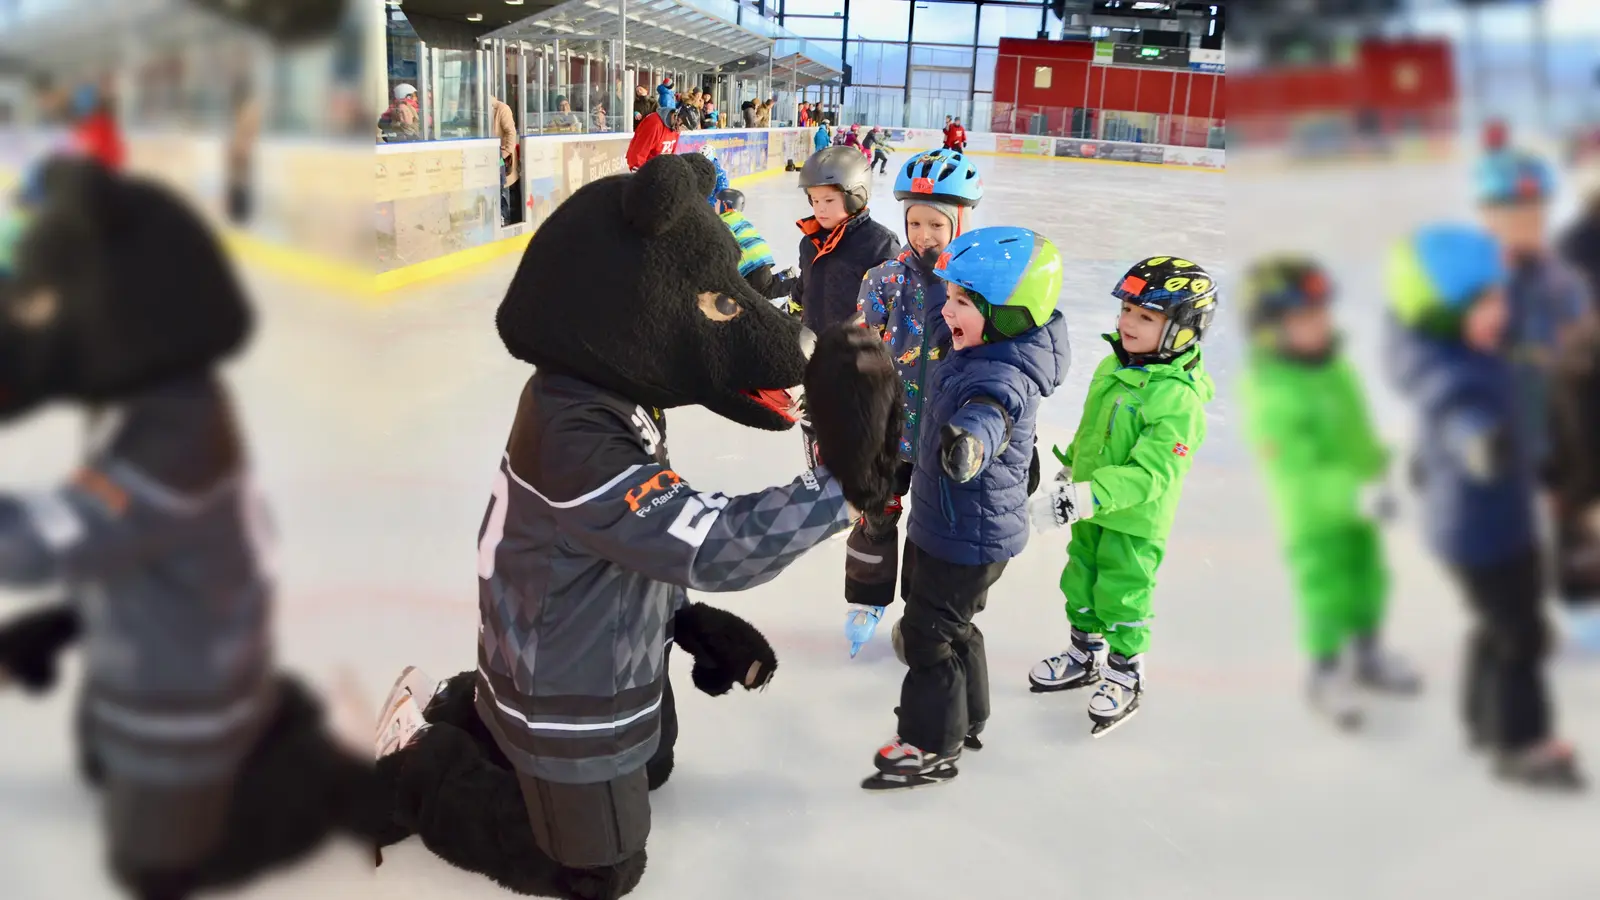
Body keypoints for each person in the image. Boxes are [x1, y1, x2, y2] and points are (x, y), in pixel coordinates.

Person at [864, 226, 1070, 789]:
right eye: (951, 296)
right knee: (953, 626)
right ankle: (969, 717)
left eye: (963, 301)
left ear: (1008, 315)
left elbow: (990, 412)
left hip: (967, 533)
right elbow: (938, 321)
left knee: (927, 637)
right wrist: (932, 275)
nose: (948, 311)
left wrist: (970, 445)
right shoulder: (979, 342)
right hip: (957, 525)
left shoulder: (1000, 373)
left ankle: (931, 745)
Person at [1384, 222, 1585, 790]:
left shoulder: (1465, 347)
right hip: (1482, 533)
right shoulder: (1448, 372)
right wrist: (1478, 442)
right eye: (1484, 303)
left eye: (1499, 297)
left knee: (1494, 625)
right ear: (1441, 314)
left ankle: (1482, 721)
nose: (1500, 312)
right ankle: (1522, 744)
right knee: (1521, 633)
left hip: (1488, 523)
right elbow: (1455, 411)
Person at [1027, 256, 1218, 737]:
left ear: (1183, 330)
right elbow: (1093, 429)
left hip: (1134, 522)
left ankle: (1125, 671)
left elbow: (1153, 474)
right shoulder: (1114, 366)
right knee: (1081, 580)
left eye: (1146, 317)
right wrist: (1072, 466)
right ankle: (1083, 653)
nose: (1128, 323)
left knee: (1123, 593)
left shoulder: (1178, 400)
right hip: (1092, 505)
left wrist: (1088, 496)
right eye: (1127, 311)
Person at [1237, 256, 1421, 731]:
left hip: (1361, 506)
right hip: (1314, 518)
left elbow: (1357, 433)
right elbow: (1297, 473)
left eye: (1321, 313)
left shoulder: (1335, 369)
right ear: (1268, 329)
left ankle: (1369, 653)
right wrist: (1355, 494)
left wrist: (1386, 469)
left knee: (1369, 579)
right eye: (1304, 317)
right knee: (1325, 591)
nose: (1320, 324)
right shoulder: (1271, 391)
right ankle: (1325, 671)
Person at [845, 150, 985, 656]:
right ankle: (867, 598)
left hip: (941, 438)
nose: (924, 235)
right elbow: (859, 353)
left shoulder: (974, 286)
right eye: (915, 222)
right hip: (888, 430)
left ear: (960, 222)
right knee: (875, 516)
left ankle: (919, 616)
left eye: (936, 224)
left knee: (930, 533)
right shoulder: (884, 278)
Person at [1473, 150, 1600, 616]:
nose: (1528, 222)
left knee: (1572, 541)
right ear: (1485, 215)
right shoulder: (1475, 286)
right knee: (1512, 553)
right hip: (1502, 440)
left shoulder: (1566, 282)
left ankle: (1577, 602)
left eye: (1536, 211)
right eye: (1513, 213)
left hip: (1561, 438)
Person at [793, 146, 903, 468]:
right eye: (814, 200)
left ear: (856, 196)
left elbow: (896, 303)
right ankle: (821, 482)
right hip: (817, 357)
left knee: (857, 439)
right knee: (816, 427)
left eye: (829, 200)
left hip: (859, 363)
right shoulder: (809, 242)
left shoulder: (879, 243)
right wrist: (792, 310)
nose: (820, 208)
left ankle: (862, 491)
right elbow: (805, 284)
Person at [714, 187, 798, 302]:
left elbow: (727, 243)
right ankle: (785, 276)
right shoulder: (739, 218)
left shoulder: (723, 222)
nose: (714, 205)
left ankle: (796, 285)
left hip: (752, 261)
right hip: (758, 256)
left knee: (764, 290)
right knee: (757, 287)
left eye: (717, 202)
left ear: (725, 205)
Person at [491, 94, 520, 224]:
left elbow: (511, 132)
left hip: (500, 158)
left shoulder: (502, 109)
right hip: (490, 158)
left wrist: (505, 153)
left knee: (502, 189)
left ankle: (504, 220)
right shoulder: (479, 111)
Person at [626, 105, 682, 171]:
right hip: (646, 170)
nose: (681, 129)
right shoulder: (654, 123)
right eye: (682, 125)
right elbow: (639, 151)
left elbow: (671, 155)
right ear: (677, 118)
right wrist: (637, 171)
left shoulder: (676, 129)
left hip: (659, 171)